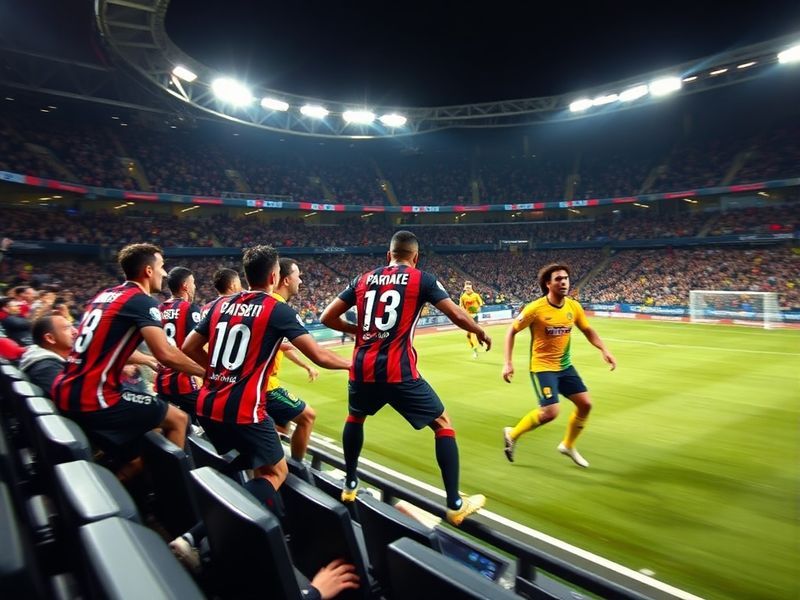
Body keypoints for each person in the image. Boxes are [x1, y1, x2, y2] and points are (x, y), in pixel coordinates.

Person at [320, 230, 490, 526]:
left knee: (355, 417)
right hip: (398, 371)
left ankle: (349, 484)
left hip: (362, 368)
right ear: (416, 257)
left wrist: (359, 331)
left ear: (388, 255)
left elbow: (327, 318)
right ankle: (454, 504)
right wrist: (479, 331)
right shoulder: (423, 279)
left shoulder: (362, 279)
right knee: (442, 424)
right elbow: (456, 314)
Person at [181, 245, 349, 523]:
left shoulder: (220, 304)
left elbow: (188, 347)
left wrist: (219, 372)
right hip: (243, 409)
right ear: (274, 276)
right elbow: (319, 355)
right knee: (276, 472)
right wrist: (354, 365)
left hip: (207, 404)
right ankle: (202, 532)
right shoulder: (276, 309)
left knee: (259, 464)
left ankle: (256, 518)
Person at [52, 244, 205, 472]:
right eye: (161, 267)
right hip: (94, 396)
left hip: (66, 388)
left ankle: (130, 479)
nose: (164, 273)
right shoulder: (141, 301)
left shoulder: (104, 296)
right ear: (148, 271)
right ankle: (173, 488)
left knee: (148, 437)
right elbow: (166, 353)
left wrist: (145, 360)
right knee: (178, 419)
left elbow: (106, 344)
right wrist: (208, 373)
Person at [501, 263, 616, 468]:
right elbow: (511, 331)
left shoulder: (573, 307)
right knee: (550, 412)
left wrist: (604, 350)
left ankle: (568, 445)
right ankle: (512, 433)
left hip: (564, 366)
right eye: (558, 279)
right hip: (543, 367)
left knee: (585, 405)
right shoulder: (535, 308)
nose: (564, 282)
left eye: (566, 278)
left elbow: (587, 330)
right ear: (548, 284)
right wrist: (508, 363)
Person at [267, 258, 319, 461]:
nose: (301, 281)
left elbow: (282, 345)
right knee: (308, 416)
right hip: (266, 386)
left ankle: (275, 457)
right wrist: (349, 365)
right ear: (286, 280)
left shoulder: (266, 302)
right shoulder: (277, 308)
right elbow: (317, 353)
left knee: (283, 425)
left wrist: (306, 365)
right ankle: (297, 466)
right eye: (298, 276)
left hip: (262, 383)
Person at [155, 267, 202, 418]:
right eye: (193, 282)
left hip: (162, 381)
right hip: (184, 381)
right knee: (213, 414)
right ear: (185, 286)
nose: (195, 286)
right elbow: (197, 345)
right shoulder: (189, 308)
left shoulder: (159, 309)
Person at [19, 314, 77, 393]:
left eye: (72, 326)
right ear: (50, 338)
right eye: (67, 328)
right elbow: (75, 395)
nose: (76, 331)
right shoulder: (46, 368)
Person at [459, 280, 484, 359]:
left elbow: (481, 304)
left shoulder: (476, 295)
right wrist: (464, 312)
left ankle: (475, 351)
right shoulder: (463, 297)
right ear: (465, 288)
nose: (468, 289)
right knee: (468, 335)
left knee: (473, 333)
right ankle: (480, 341)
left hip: (474, 316)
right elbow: (461, 306)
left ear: (471, 288)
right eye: (467, 288)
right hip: (467, 316)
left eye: (469, 288)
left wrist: (478, 310)